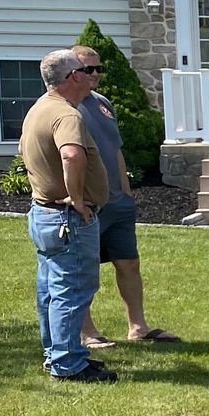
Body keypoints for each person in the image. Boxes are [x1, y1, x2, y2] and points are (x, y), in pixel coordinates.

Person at [73, 44, 181, 348]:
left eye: (98, 69)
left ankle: (138, 327)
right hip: (88, 203)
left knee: (129, 263)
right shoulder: (63, 106)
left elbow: (116, 150)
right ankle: (87, 333)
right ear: (72, 71)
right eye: (87, 69)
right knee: (83, 268)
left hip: (117, 202)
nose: (95, 74)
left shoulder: (102, 103)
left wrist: (126, 194)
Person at [19, 48, 114, 383]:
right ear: (74, 77)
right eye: (88, 70)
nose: (93, 75)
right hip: (67, 219)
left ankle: (58, 355)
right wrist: (77, 200)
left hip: (44, 214)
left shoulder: (38, 109)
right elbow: (72, 155)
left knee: (51, 290)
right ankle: (68, 364)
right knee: (72, 289)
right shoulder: (66, 115)